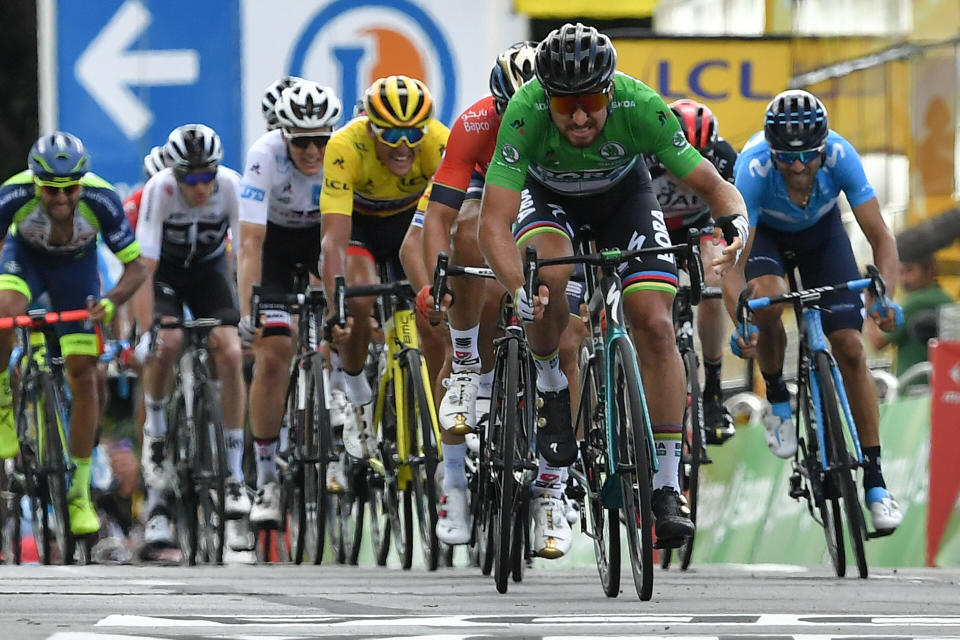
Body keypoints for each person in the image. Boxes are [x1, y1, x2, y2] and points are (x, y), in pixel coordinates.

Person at [479, 23, 749, 558]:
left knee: (653, 322)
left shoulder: (640, 105)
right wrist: (516, 288)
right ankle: (554, 388)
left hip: (624, 197)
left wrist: (735, 231)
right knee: (548, 283)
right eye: (566, 106)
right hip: (549, 200)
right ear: (547, 99)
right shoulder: (525, 111)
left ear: (610, 89)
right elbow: (492, 224)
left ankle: (667, 487)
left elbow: (715, 188)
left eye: (592, 101)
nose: (580, 117)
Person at [732, 88, 904, 532]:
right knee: (767, 300)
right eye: (786, 158)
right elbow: (734, 259)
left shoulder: (841, 156)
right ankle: (777, 397)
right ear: (772, 152)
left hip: (822, 236)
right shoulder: (752, 170)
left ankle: (877, 482)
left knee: (850, 345)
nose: (796, 166)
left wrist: (886, 298)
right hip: (766, 237)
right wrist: (742, 316)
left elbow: (881, 238)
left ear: (822, 148)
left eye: (807, 156)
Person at [0, 132, 147, 535]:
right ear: (35, 183)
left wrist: (113, 301)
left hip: (76, 274)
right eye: (51, 190)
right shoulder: (12, 195)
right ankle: (4, 406)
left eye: (70, 190)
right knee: (4, 312)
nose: (62, 199)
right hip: (25, 262)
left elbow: (136, 268)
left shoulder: (101, 200)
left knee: (84, 376)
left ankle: (80, 492)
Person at [319, 75, 449, 459]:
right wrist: (335, 306)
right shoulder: (345, 146)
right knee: (359, 300)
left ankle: (446, 416)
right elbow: (333, 240)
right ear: (371, 129)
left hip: (413, 225)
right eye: (391, 136)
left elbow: (452, 224)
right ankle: (357, 394)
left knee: (435, 315)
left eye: (412, 135)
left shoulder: (438, 143)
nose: (404, 147)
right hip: (361, 228)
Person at [133, 123, 247, 548]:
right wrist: (147, 331)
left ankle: (234, 475)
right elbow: (143, 264)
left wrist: (245, 315)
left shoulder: (231, 186)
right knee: (168, 344)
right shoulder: (160, 189)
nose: (200, 187)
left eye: (207, 176)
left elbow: (247, 250)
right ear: (176, 173)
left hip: (209, 273)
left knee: (230, 351)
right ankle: (158, 434)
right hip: (165, 275)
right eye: (190, 178)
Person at [238, 79, 344, 526]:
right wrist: (249, 312)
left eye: (321, 140)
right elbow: (250, 242)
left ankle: (344, 413)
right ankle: (265, 477)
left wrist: (342, 300)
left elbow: (342, 238)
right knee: (276, 349)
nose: (314, 152)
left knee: (347, 319)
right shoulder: (265, 156)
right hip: (276, 246)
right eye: (302, 142)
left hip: (324, 237)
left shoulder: (343, 151)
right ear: (284, 135)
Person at [646, 99, 738, 445]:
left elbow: (736, 215)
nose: (687, 171)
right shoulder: (645, 159)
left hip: (701, 229)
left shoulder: (727, 159)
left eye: (698, 158)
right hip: (654, 229)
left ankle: (713, 390)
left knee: (714, 282)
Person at [865, 248, 953, 381]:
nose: (904, 279)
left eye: (909, 271)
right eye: (900, 272)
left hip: (913, 385)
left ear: (929, 270)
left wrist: (869, 306)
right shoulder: (945, 298)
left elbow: (877, 341)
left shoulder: (918, 301)